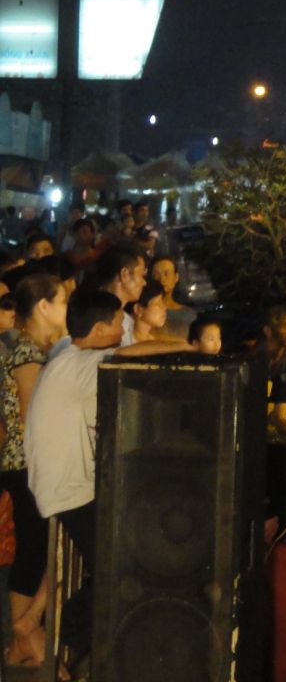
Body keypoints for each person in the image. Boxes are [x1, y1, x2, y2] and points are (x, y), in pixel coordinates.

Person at [24, 289, 186, 671]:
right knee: (121, 569)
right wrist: (185, 345)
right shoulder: (83, 363)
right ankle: (55, 635)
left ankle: (34, 625)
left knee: (103, 561)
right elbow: (128, 355)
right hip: (69, 488)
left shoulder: (68, 358)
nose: (125, 330)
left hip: (65, 484)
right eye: (119, 323)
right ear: (99, 329)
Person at [0, 272, 67, 668]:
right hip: (25, 463)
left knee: (35, 547)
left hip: (27, 462)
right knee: (34, 548)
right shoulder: (27, 352)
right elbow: (29, 416)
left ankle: (22, 639)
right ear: (44, 306)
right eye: (61, 301)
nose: (65, 310)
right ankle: (24, 634)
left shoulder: (30, 348)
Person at [126, 280, 168, 344]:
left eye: (162, 302)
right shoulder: (124, 342)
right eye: (157, 303)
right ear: (138, 309)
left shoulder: (152, 341)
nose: (164, 307)